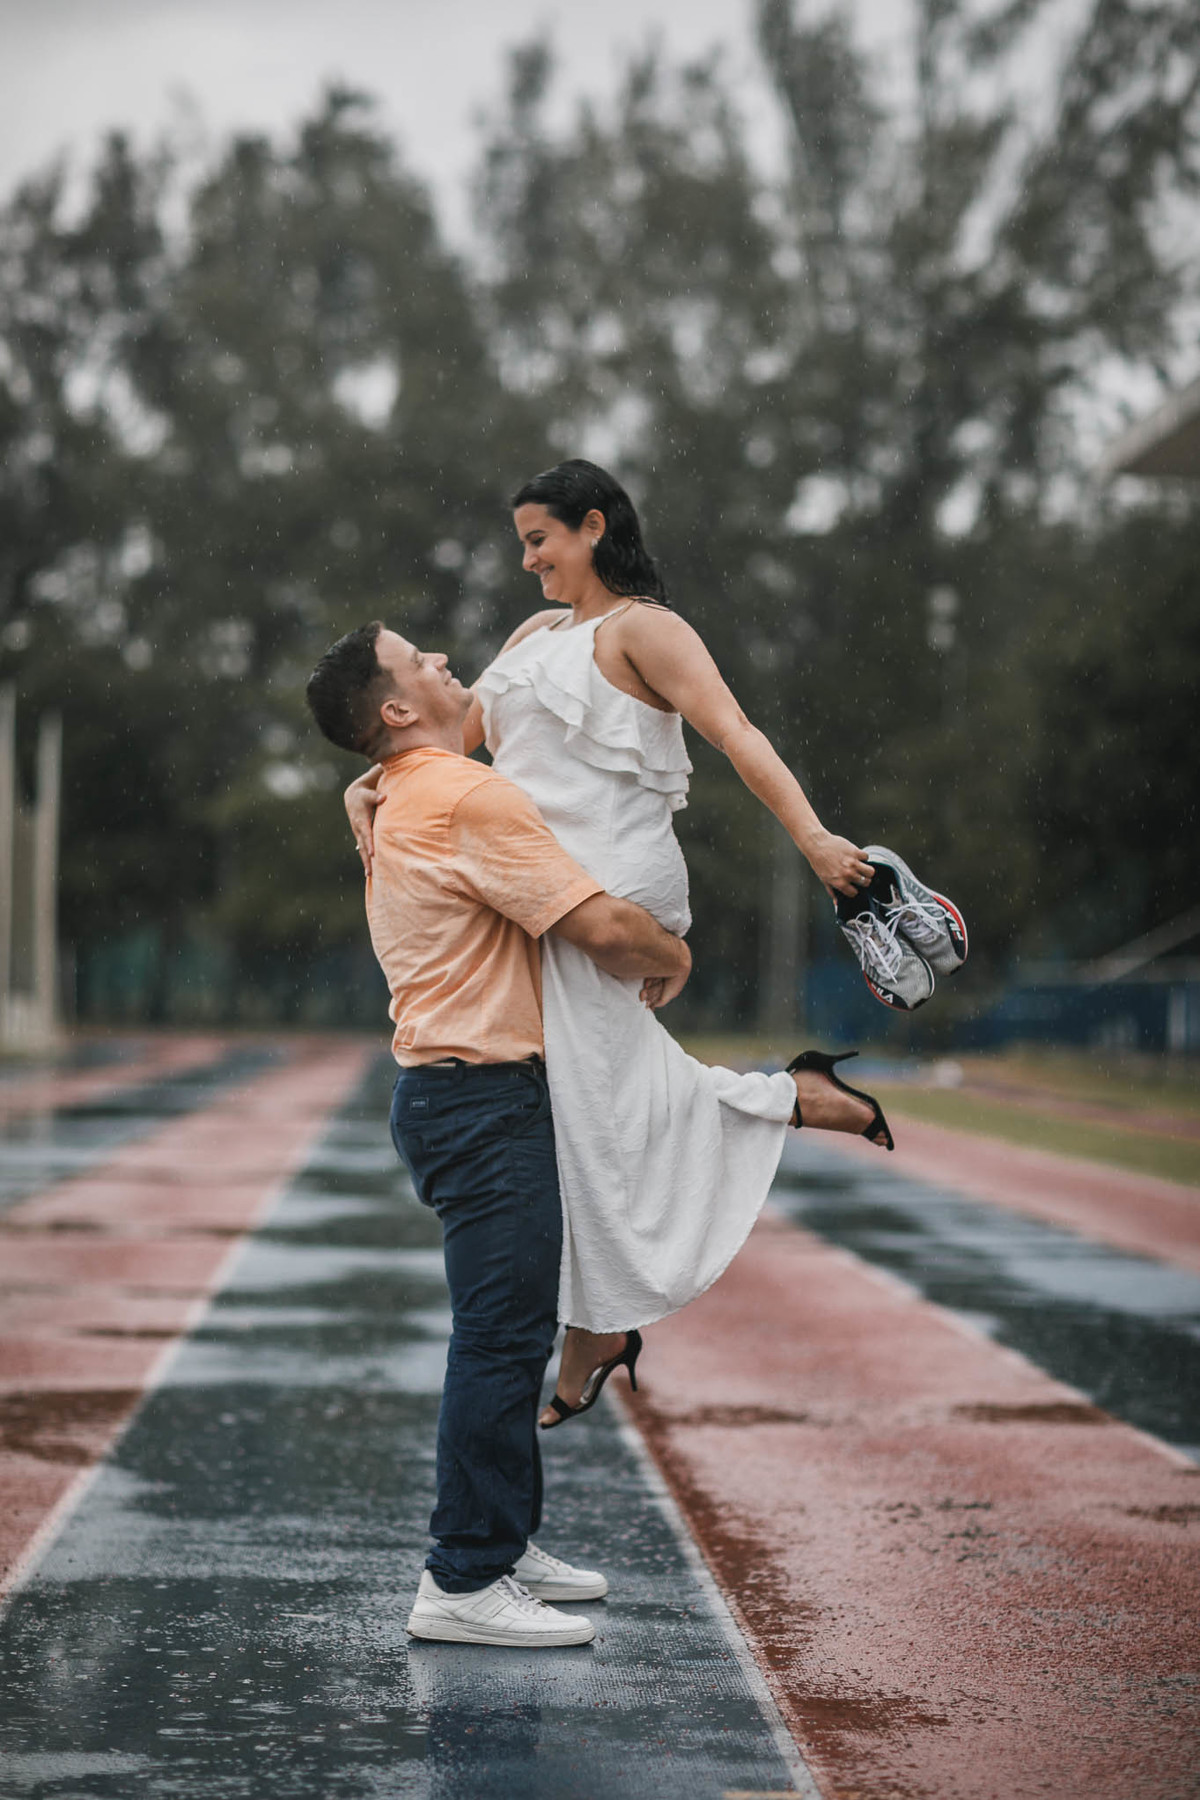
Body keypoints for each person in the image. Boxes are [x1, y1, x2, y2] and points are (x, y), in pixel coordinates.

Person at [345, 462, 893, 1427]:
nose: (528, 562)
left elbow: (737, 734)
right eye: (522, 544)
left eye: (539, 540)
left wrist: (815, 841)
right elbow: (440, 741)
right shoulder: (529, 636)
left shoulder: (649, 630)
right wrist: (367, 786)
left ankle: (610, 1314)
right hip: (540, 887)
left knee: (587, 1110)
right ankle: (610, 1316)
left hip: (612, 893)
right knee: (576, 1106)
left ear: (593, 527)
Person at [306, 621, 693, 1647]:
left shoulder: (394, 795)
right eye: (418, 659)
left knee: (511, 1331)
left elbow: (411, 762)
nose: (440, 659)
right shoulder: (462, 797)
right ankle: (464, 1581)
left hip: (452, 1098)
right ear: (395, 710)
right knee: (499, 1336)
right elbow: (599, 926)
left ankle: (502, 1540)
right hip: (479, 1100)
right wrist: (675, 951)